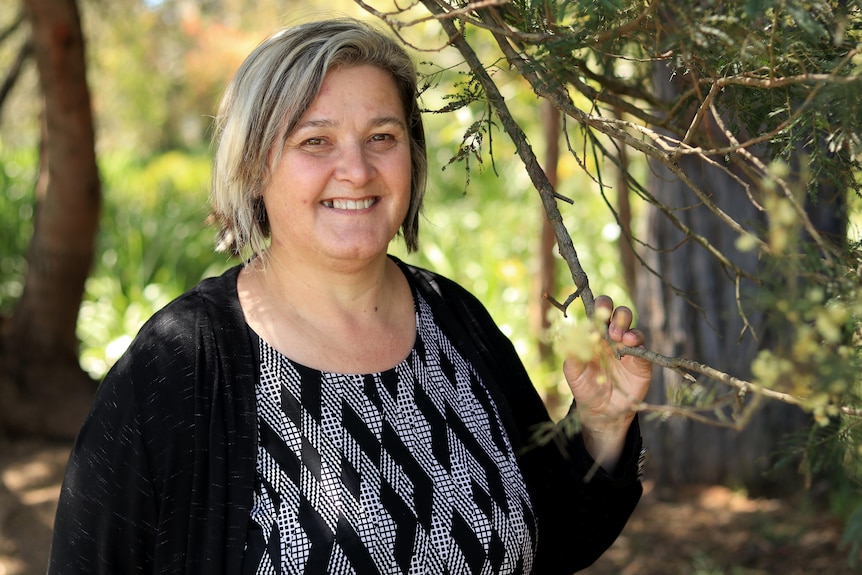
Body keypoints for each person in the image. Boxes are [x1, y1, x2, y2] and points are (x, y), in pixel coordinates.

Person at [47, 18, 651, 574]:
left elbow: (552, 537)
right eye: (316, 141)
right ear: (255, 166)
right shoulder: (180, 367)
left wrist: (602, 422)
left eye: (381, 137)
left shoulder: (455, 321)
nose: (357, 171)